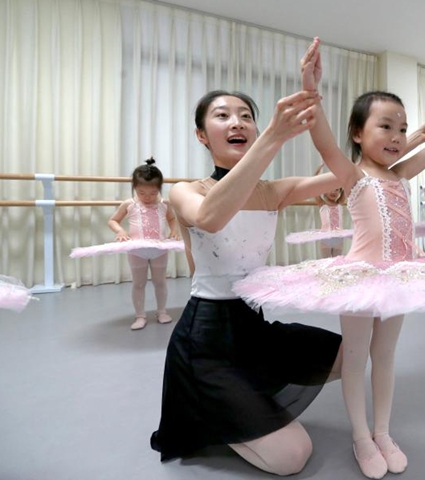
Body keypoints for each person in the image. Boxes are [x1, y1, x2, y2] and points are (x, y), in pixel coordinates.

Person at [234, 38, 425, 479]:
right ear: (358, 134)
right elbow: (322, 137)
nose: (397, 137)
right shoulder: (351, 175)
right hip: (361, 276)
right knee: (356, 357)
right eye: (385, 126)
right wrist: (309, 87)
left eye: (402, 128)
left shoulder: (401, 173)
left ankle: (383, 431)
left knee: (385, 356)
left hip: (403, 273)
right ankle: (360, 436)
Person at [150, 89, 348, 476]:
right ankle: (211, 411)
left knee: (350, 353)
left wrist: (415, 138)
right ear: (201, 135)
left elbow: (350, 172)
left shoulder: (273, 192)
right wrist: (274, 138)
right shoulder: (186, 192)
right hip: (206, 343)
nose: (237, 122)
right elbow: (210, 217)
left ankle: (245, 398)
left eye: (245, 115)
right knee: (292, 457)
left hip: (254, 328)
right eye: (222, 116)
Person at [107, 159, 180, 330]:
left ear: (159, 189)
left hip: (159, 249)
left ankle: (162, 311)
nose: (147, 198)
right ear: (134, 189)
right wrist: (120, 231)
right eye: (142, 193)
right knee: (138, 283)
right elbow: (113, 220)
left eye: (152, 193)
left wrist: (174, 230)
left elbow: (172, 218)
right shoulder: (129, 204)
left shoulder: (164, 204)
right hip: (137, 251)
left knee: (160, 282)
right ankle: (140, 315)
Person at [285, 164, 352, 258]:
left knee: (337, 262)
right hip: (325, 238)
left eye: (337, 190)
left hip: (339, 238)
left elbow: (346, 184)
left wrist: (343, 171)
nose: (334, 192)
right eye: (330, 189)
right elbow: (313, 187)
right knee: (325, 263)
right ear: (324, 190)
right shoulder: (322, 203)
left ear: (340, 192)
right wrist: (317, 171)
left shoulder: (339, 203)